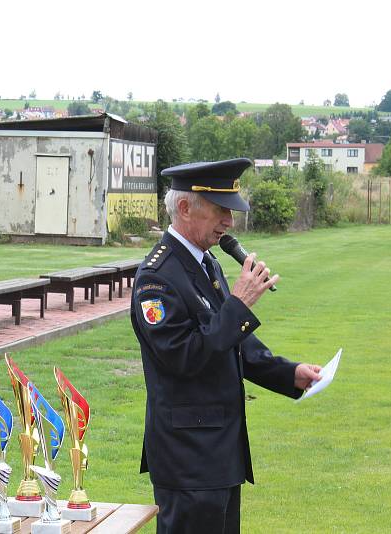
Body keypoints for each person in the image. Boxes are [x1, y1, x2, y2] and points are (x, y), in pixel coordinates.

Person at [130, 157, 322, 534]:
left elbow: (234, 343)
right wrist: (238, 305)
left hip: (219, 453)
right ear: (184, 207)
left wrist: (289, 373)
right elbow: (183, 357)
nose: (229, 222)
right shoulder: (156, 277)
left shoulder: (206, 263)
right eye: (220, 210)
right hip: (188, 458)